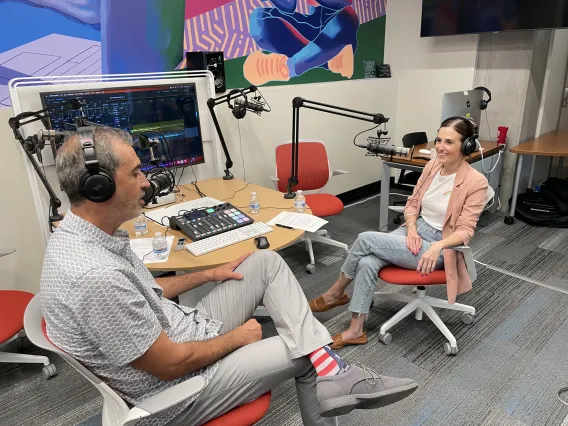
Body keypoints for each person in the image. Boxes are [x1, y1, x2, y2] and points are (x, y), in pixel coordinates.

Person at [40, 126, 418, 426]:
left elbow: (147, 292)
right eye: (136, 173)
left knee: (263, 262)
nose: (146, 183)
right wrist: (239, 337)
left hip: (184, 333)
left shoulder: (85, 236)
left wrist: (208, 273)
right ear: (98, 187)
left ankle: (333, 370)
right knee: (308, 353)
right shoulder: (95, 275)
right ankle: (332, 372)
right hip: (178, 389)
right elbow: (168, 365)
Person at [308, 116, 489, 349]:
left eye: (449, 142)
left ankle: (335, 293)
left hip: (444, 246)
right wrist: (412, 229)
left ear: (465, 146)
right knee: (368, 261)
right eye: (439, 140)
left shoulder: (476, 182)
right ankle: (356, 330)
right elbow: (412, 204)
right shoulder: (432, 166)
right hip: (417, 229)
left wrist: (436, 246)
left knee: (364, 239)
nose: (440, 147)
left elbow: (465, 231)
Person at [244, 0, 359, 86]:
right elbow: (289, 6)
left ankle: (289, 66)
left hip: (337, 21)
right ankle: (328, 59)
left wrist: (289, 66)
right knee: (258, 21)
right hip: (321, 26)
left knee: (342, 21)